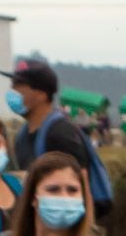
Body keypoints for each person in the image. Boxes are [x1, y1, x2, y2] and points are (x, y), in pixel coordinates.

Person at [8, 57, 115, 212]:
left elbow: (82, 187)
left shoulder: (61, 133)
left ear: (41, 94)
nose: (13, 92)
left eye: (19, 86)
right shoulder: (22, 134)